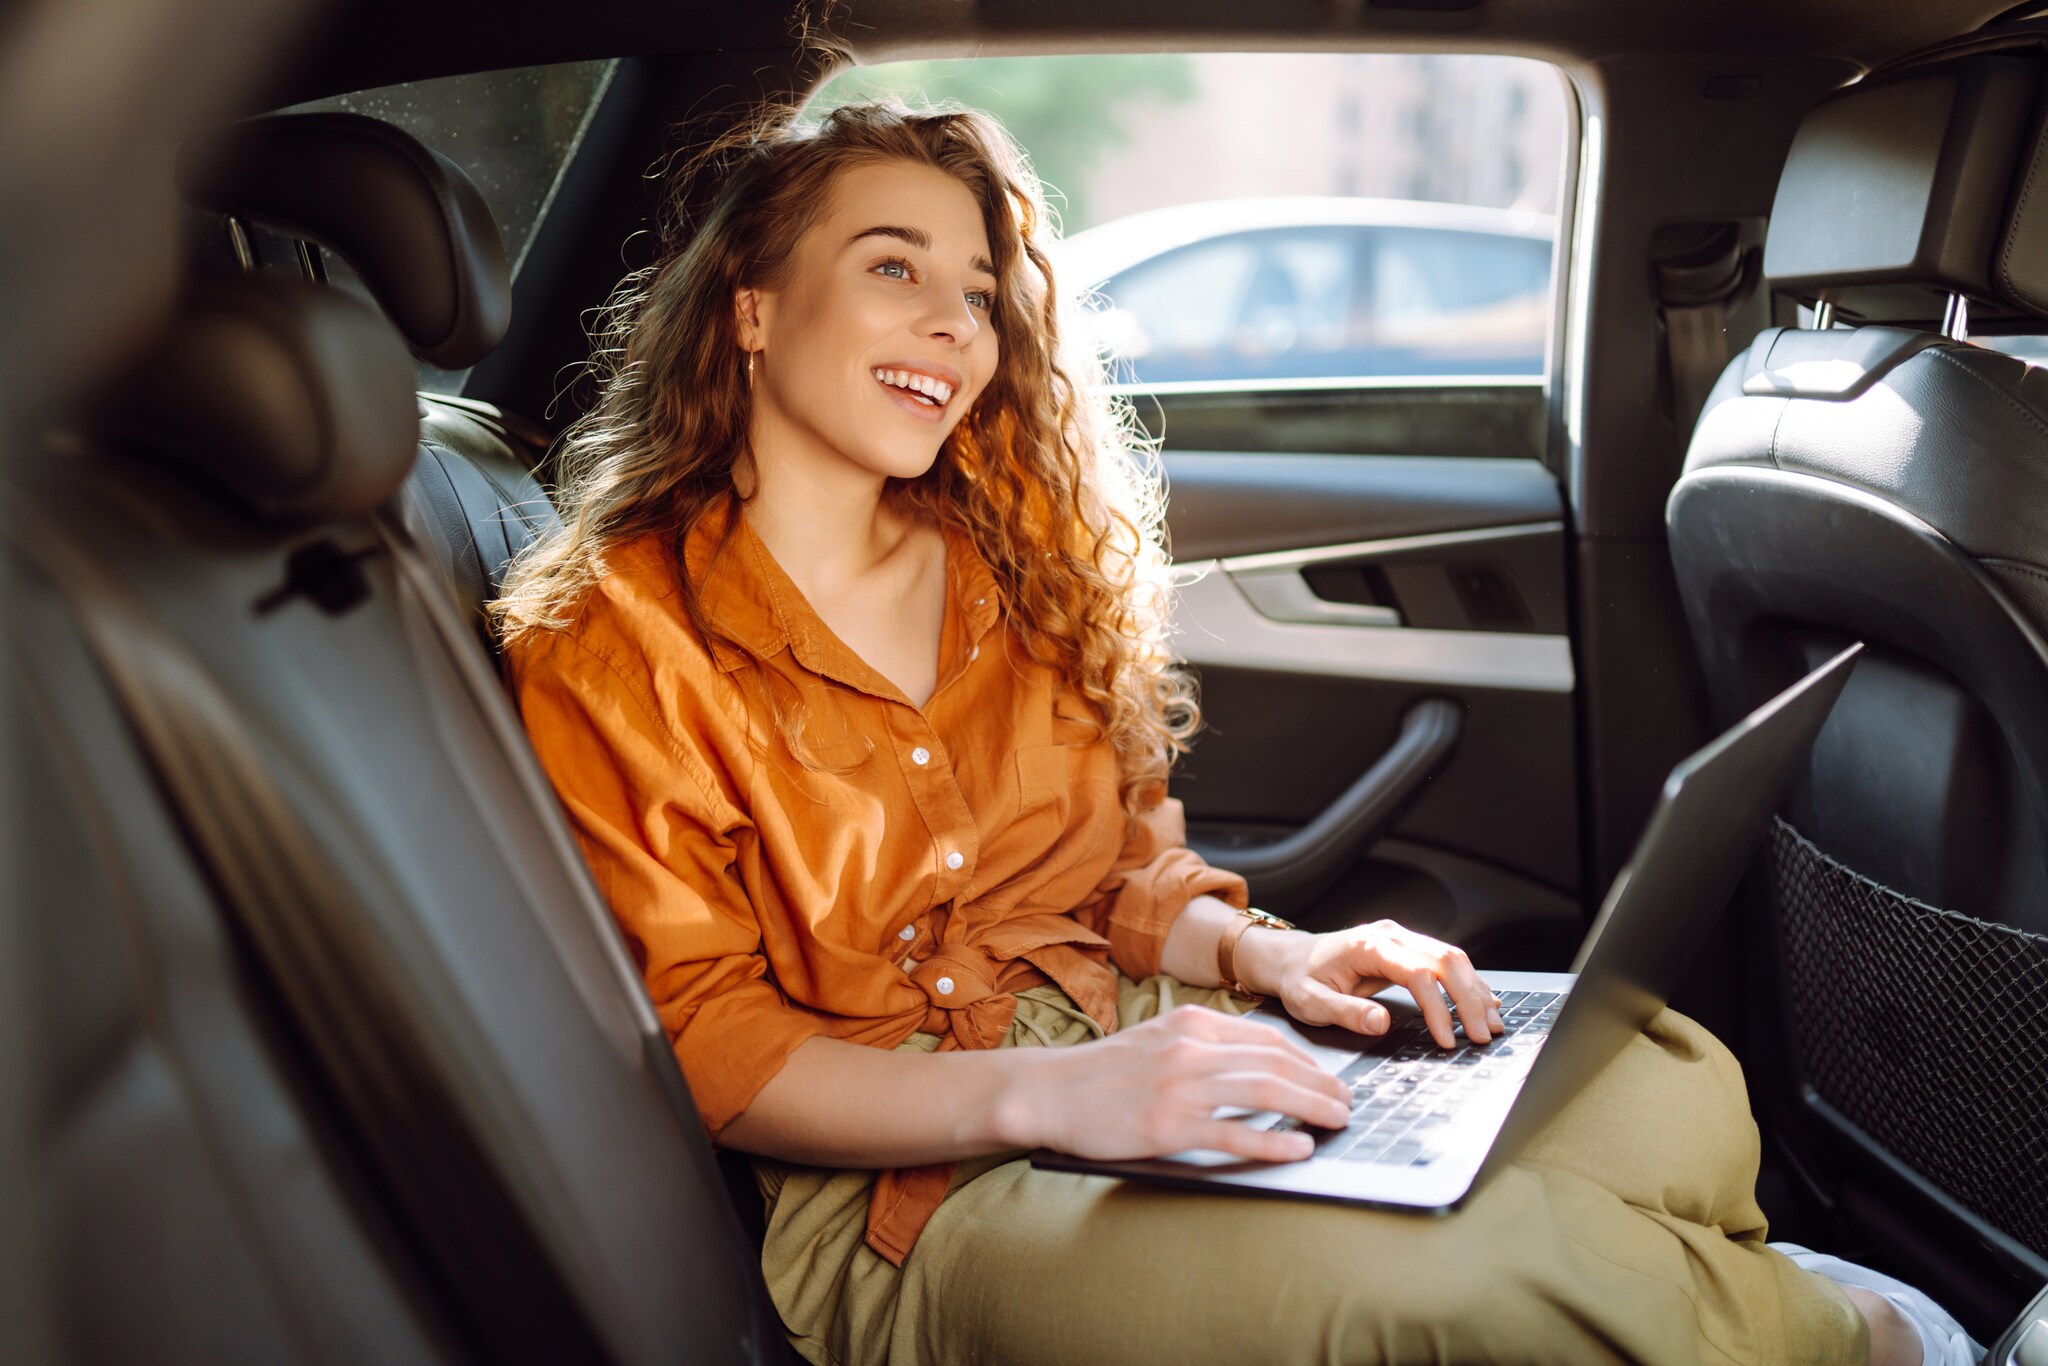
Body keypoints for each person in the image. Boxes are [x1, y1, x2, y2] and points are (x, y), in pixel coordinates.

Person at [494, 99, 1976, 1366]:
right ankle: (1836, 1333)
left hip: (1141, 1027)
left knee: (1670, 1084)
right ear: (751, 309)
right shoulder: (612, 640)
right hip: (913, 1188)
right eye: (895, 268)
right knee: (1461, 1272)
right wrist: (1051, 1094)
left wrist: (1279, 958)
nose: (957, 323)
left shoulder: (1006, 565)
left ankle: (1675, 1298)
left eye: (983, 293)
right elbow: (717, 1044)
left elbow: (1121, 880)